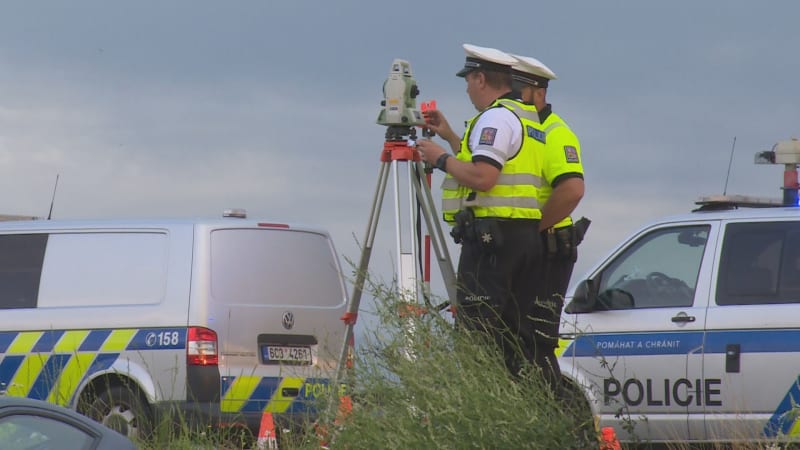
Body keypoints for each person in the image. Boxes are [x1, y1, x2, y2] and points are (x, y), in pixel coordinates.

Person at [416, 44, 546, 378]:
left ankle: (481, 403)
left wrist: (440, 159)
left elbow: (484, 177)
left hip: (493, 243)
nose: (467, 89)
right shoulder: (524, 117)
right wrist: (449, 137)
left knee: (478, 338)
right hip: (522, 238)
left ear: (481, 79)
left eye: (468, 80)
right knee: (511, 340)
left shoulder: (495, 118)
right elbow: (491, 163)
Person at [509, 54, 586, 392]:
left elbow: (572, 190)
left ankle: (549, 415)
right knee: (517, 340)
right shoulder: (526, 130)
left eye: (517, 90)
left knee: (535, 344)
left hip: (547, 250)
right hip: (532, 250)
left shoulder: (554, 133)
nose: (511, 97)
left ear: (538, 93)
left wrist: (531, 229)